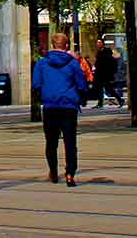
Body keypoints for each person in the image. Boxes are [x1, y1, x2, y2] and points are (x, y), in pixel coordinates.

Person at [32, 32, 89, 187]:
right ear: (66, 45)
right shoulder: (73, 64)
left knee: (51, 142)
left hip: (50, 107)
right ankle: (70, 174)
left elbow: (36, 85)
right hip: (68, 107)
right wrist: (82, 98)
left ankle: (53, 172)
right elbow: (82, 84)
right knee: (70, 142)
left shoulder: (42, 63)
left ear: (52, 45)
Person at [92, 42, 118, 108]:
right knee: (100, 89)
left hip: (105, 75)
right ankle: (100, 103)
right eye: (97, 43)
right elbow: (98, 63)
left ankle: (120, 100)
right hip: (101, 74)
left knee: (109, 89)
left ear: (102, 44)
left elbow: (109, 65)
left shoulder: (107, 53)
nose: (98, 44)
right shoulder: (99, 52)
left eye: (99, 42)